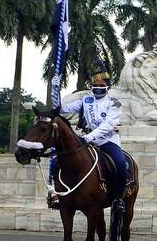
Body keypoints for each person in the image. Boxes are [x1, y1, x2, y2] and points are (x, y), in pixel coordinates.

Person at [50, 60, 128, 212]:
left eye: (101, 86)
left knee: (120, 164)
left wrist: (90, 137)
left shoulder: (115, 103)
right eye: (95, 86)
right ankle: (58, 195)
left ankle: (118, 199)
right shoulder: (86, 100)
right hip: (85, 140)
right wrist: (55, 90)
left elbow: (107, 125)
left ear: (108, 87)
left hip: (107, 140)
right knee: (56, 163)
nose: (98, 88)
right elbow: (63, 109)